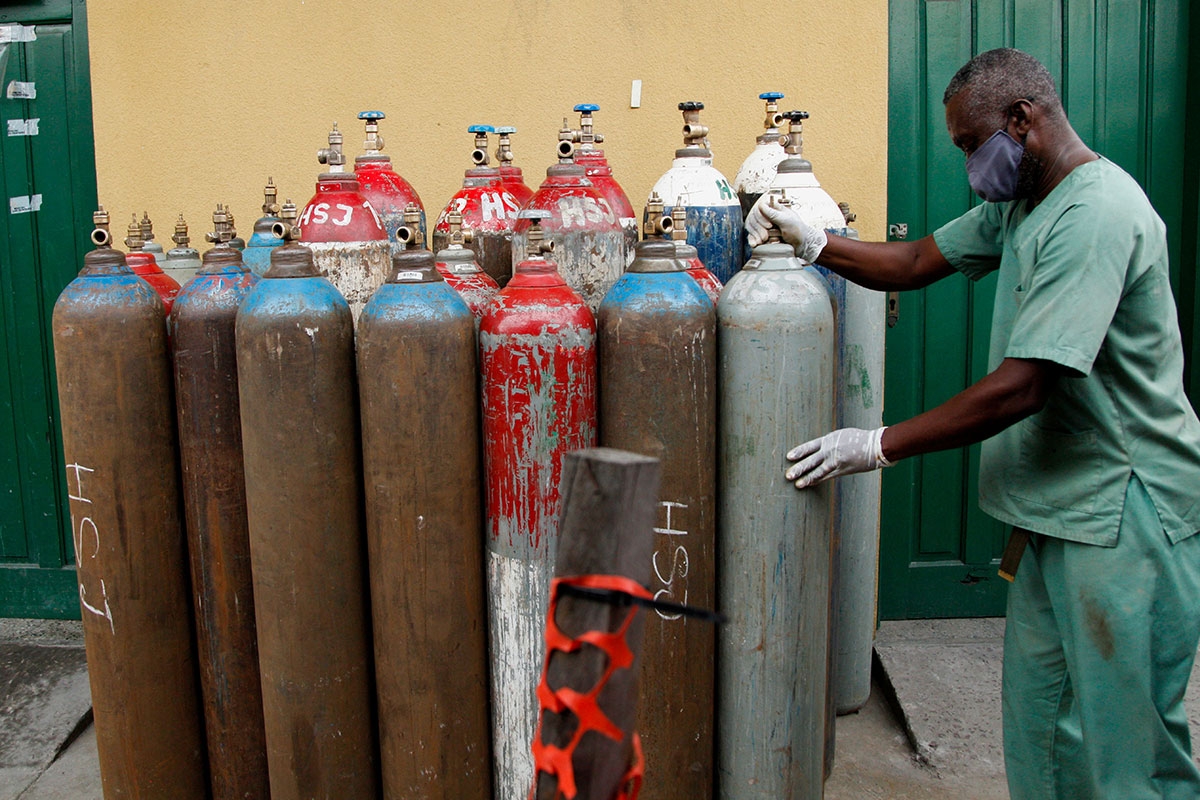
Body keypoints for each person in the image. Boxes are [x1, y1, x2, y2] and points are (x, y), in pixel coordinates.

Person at [746, 47, 1200, 799]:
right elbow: (919, 259)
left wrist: (876, 445)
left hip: (1128, 516)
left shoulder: (1095, 214)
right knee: (1045, 731)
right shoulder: (1023, 202)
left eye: (969, 143)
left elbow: (1022, 388)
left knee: (1128, 748)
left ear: (1022, 121)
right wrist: (819, 244)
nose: (967, 163)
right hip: (1060, 511)